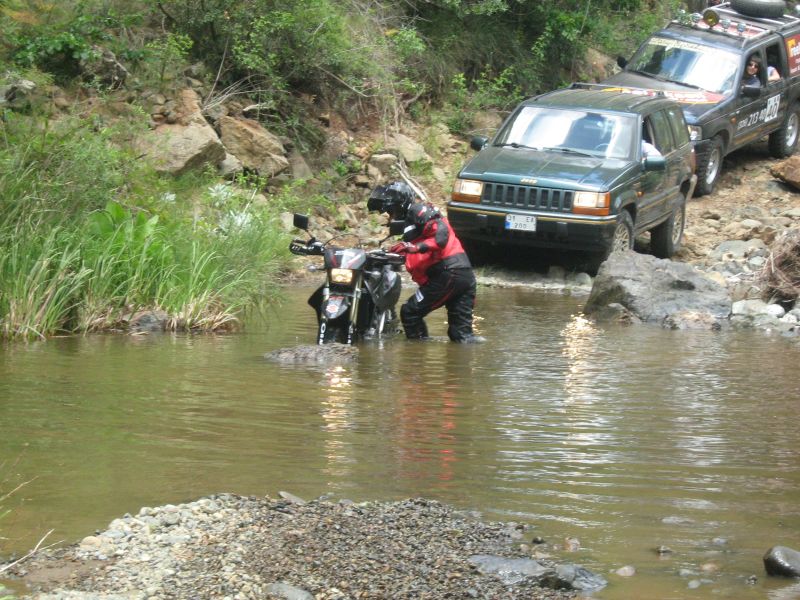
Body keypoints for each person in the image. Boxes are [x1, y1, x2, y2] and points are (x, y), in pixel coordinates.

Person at [388, 195, 484, 343]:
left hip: (449, 273)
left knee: (410, 312)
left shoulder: (420, 211)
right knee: (461, 336)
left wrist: (415, 247)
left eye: (391, 212)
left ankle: (417, 353)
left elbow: (440, 236)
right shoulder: (419, 229)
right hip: (464, 275)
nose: (390, 218)